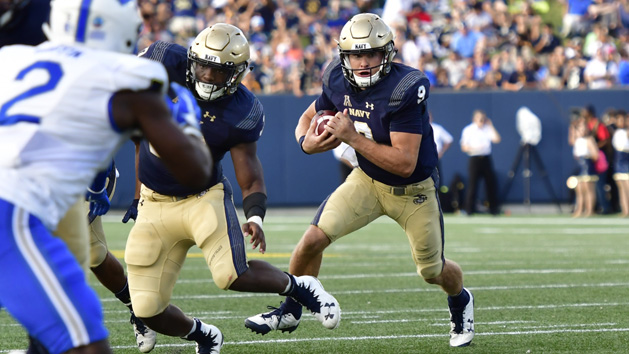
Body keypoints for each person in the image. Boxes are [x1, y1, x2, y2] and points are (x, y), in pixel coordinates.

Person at [245, 13, 475, 348]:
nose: (363, 62)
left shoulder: (406, 87)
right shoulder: (337, 78)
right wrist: (306, 142)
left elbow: (405, 162)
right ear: (344, 56)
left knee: (432, 271)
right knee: (310, 241)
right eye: (355, 55)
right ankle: (291, 308)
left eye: (371, 54)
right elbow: (309, 116)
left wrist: (352, 138)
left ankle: (461, 299)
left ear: (387, 53)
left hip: (413, 192)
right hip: (366, 180)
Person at [0, 1, 213, 353]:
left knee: (52, 336)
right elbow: (195, 171)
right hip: (12, 212)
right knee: (87, 346)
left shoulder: (13, 57)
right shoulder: (125, 79)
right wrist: (187, 125)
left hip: (26, 205)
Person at [125, 23, 341, 353]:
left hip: (202, 197)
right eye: (204, 66)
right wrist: (139, 191)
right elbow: (140, 133)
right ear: (191, 60)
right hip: (154, 204)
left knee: (231, 274)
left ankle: (299, 287)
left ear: (238, 73)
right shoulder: (163, 60)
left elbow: (250, 172)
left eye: (219, 70)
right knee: (145, 309)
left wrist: (255, 217)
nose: (209, 76)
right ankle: (203, 335)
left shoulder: (242, 109)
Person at [460, 109, 501, 216]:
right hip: (474, 158)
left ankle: (493, 209)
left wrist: (491, 125)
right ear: (474, 119)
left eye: (483, 119)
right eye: (480, 119)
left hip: (486, 158)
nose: (482, 121)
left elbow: (497, 139)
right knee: (473, 184)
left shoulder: (487, 129)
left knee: (490, 184)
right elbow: (464, 147)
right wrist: (475, 148)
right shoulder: (468, 130)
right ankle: (469, 209)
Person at [569, 117, 599, 217]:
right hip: (580, 167)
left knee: (589, 190)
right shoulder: (577, 141)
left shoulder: (589, 140)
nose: (582, 130)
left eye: (584, 128)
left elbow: (596, 155)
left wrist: (589, 156)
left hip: (587, 166)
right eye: (580, 128)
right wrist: (572, 128)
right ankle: (579, 210)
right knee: (579, 191)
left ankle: (589, 210)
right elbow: (571, 140)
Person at [611, 111, 629, 217]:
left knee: (628, 186)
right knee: (621, 187)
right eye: (619, 120)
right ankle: (625, 210)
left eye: (623, 120)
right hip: (618, 160)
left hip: (626, 159)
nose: (621, 122)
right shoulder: (617, 132)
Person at [430, 112, 453, 184]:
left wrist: (442, 151)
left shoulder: (437, 129)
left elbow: (449, 139)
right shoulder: (419, 128)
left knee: (437, 180)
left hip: (434, 158)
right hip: (421, 160)